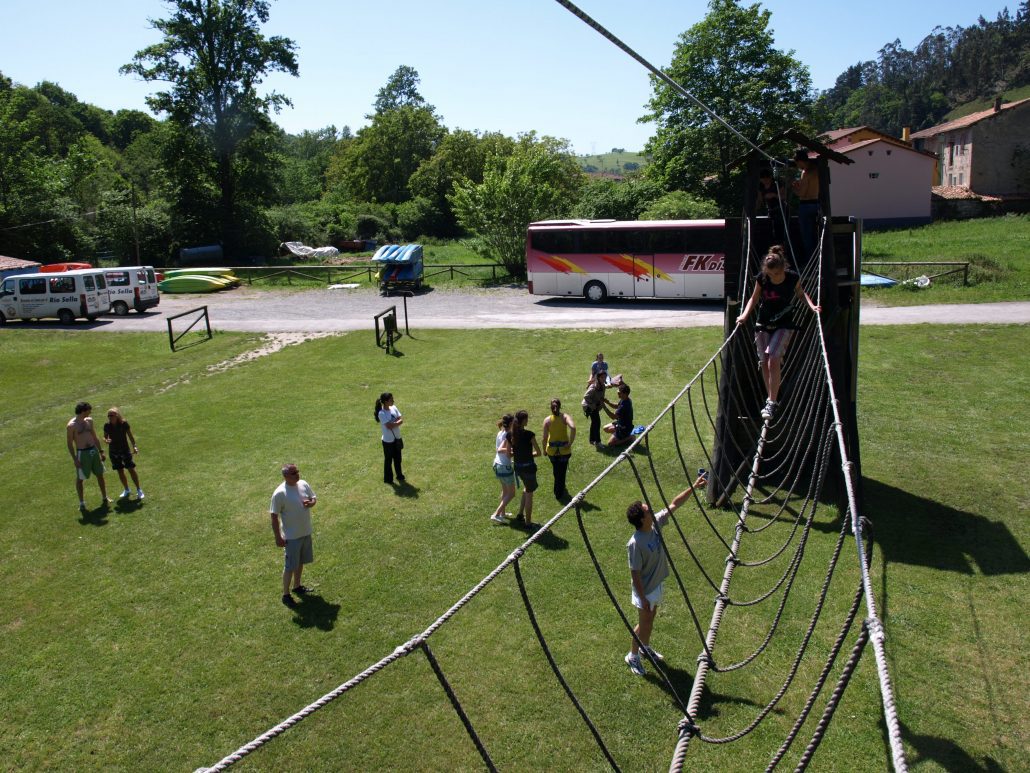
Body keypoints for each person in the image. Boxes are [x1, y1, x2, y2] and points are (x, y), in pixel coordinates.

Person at [624, 473, 708, 676]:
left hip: (655, 585)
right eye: (647, 510)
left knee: (650, 619)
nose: (651, 509)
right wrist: (642, 597)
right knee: (643, 623)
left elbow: (674, 504)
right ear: (641, 519)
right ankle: (633, 656)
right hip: (644, 590)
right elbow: (634, 573)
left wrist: (694, 486)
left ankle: (645, 647)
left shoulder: (655, 525)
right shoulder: (635, 543)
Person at [736, 246, 821, 420]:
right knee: (764, 361)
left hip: (784, 323)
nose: (773, 277)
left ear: (783, 269)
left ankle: (772, 403)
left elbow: (800, 293)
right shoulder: (763, 278)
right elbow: (754, 298)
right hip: (763, 323)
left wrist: (812, 306)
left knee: (773, 358)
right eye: (771, 274)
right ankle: (771, 398)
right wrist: (744, 316)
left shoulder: (792, 277)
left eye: (776, 274)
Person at [269, 463, 317, 609]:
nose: (297, 474)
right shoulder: (280, 493)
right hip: (291, 536)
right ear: (285, 476)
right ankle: (286, 594)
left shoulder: (303, 484)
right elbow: (273, 516)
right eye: (293, 473)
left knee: (300, 561)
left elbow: (313, 498)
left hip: (305, 531)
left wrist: (311, 503)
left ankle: (297, 586)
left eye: (297, 472)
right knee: (290, 566)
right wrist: (278, 537)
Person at [66, 401, 110, 509]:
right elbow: (69, 444)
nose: (90, 412)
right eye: (89, 410)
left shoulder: (89, 421)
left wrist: (101, 451)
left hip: (93, 451)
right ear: (83, 411)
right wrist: (75, 459)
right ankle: (81, 503)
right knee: (80, 479)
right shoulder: (71, 426)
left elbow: (95, 437)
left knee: (100, 474)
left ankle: (105, 497)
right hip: (82, 453)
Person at [103, 407, 145, 501]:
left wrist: (134, 446)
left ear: (117, 415)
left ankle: (139, 489)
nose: (110, 417)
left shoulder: (123, 424)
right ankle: (126, 489)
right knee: (120, 471)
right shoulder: (107, 425)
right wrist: (106, 440)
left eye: (111, 415)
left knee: (131, 469)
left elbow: (130, 436)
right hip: (114, 451)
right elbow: (105, 437)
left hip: (125, 450)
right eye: (108, 416)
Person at [511, 410, 542, 527]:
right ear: (523, 421)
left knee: (526, 488)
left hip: (518, 468)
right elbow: (538, 453)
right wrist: (530, 455)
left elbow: (510, 453)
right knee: (530, 493)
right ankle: (528, 523)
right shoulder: (529, 435)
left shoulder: (511, 435)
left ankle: (520, 514)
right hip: (528, 469)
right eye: (527, 419)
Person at [542, 398, 576, 503]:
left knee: (556, 470)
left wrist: (544, 450)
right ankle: (559, 491)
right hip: (564, 451)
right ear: (560, 406)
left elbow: (544, 438)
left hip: (552, 451)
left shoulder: (547, 420)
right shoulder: (565, 417)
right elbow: (573, 428)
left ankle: (558, 490)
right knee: (562, 471)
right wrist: (570, 443)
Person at [790, 150, 820, 265]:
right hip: (816, 203)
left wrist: (793, 187)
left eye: (797, 163)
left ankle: (810, 262)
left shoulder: (806, 172)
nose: (797, 166)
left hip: (806, 205)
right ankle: (817, 260)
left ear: (800, 161)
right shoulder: (817, 170)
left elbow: (802, 193)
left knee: (807, 236)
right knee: (816, 234)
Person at [490, 414, 517, 525]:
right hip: (504, 467)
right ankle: (496, 514)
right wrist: (514, 451)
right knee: (511, 493)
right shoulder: (508, 435)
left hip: (497, 465)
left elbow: (497, 449)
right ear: (510, 424)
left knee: (505, 491)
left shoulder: (500, 433)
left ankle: (502, 514)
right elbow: (501, 450)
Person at [375, 392, 405, 485]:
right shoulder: (381, 413)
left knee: (398, 459)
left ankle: (399, 476)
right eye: (391, 399)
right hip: (388, 441)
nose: (393, 400)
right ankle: (388, 479)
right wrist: (396, 422)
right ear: (385, 402)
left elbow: (401, 419)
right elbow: (388, 426)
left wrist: (395, 423)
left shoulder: (394, 408)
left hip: (397, 438)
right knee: (388, 460)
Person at [756, 167, 786, 247]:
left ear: (770, 178)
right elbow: (760, 200)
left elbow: (783, 197)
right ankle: (773, 246)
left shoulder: (777, 184)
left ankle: (780, 246)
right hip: (770, 210)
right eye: (763, 179)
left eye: (767, 179)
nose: (765, 181)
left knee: (779, 229)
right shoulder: (760, 186)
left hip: (780, 210)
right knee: (770, 230)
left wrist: (774, 195)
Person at [581, 369, 608, 449]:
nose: (603, 379)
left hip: (595, 406)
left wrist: (602, 402)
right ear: (598, 378)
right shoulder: (593, 387)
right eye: (602, 377)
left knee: (594, 422)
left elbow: (601, 396)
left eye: (605, 377)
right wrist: (594, 404)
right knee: (597, 422)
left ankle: (592, 439)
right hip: (588, 406)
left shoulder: (603, 386)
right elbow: (586, 397)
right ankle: (598, 442)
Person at [603, 383, 634, 447]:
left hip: (624, 428)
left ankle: (629, 437)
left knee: (610, 444)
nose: (617, 393)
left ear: (625, 394)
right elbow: (616, 405)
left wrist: (604, 407)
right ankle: (618, 435)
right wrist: (608, 402)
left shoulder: (624, 406)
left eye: (619, 393)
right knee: (605, 428)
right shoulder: (625, 399)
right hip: (620, 424)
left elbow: (613, 417)